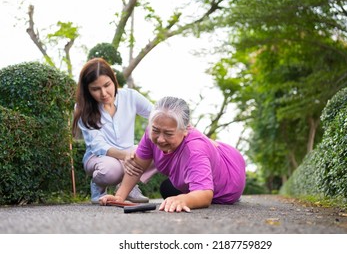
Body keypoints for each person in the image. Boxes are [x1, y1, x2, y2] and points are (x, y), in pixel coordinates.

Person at [99, 96, 246, 212]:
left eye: (168, 133)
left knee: (177, 197)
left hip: (230, 176)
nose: (160, 139)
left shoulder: (194, 150)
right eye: (156, 130)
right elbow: (137, 165)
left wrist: (184, 200)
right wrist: (119, 197)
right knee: (168, 190)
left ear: (186, 129)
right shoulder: (152, 132)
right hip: (207, 158)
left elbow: (205, 195)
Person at [72, 57, 156, 204]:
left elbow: (156, 115)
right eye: (95, 89)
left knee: (158, 151)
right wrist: (127, 156)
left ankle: (127, 186)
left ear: (114, 79)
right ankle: (98, 186)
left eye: (107, 85)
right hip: (99, 157)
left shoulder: (130, 96)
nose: (104, 93)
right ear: (87, 90)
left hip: (128, 152)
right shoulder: (82, 108)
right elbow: (98, 145)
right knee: (110, 170)